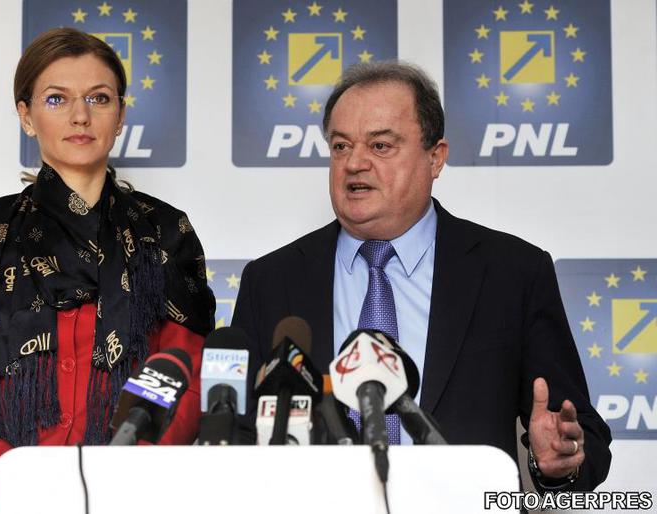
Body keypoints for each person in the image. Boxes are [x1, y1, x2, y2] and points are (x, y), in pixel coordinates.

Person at [232, 61, 611, 490]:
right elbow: (236, 437)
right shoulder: (271, 280)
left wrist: (559, 460)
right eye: (340, 146)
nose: (354, 163)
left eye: (380, 145)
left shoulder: (512, 273)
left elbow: (584, 438)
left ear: (436, 157)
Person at [0, 28, 214, 513]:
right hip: (2, 502)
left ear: (120, 115)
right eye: (56, 99)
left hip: (130, 500)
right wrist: (19, 492)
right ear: (26, 116)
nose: (81, 116)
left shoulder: (164, 232)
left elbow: (184, 380)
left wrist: (115, 492)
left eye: (99, 98)